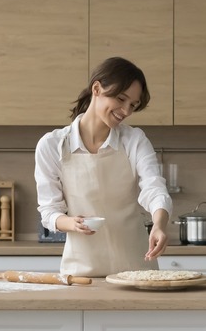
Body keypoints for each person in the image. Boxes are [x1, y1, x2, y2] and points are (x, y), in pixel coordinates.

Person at [35, 57, 173, 277]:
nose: (126, 111)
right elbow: (49, 211)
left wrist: (159, 224)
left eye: (133, 105)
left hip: (137, 271)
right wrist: (72, 223)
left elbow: (153, 187)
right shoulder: (53, 145)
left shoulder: (134, 140)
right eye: (121, 98)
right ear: (97, 88)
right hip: (81, 274)